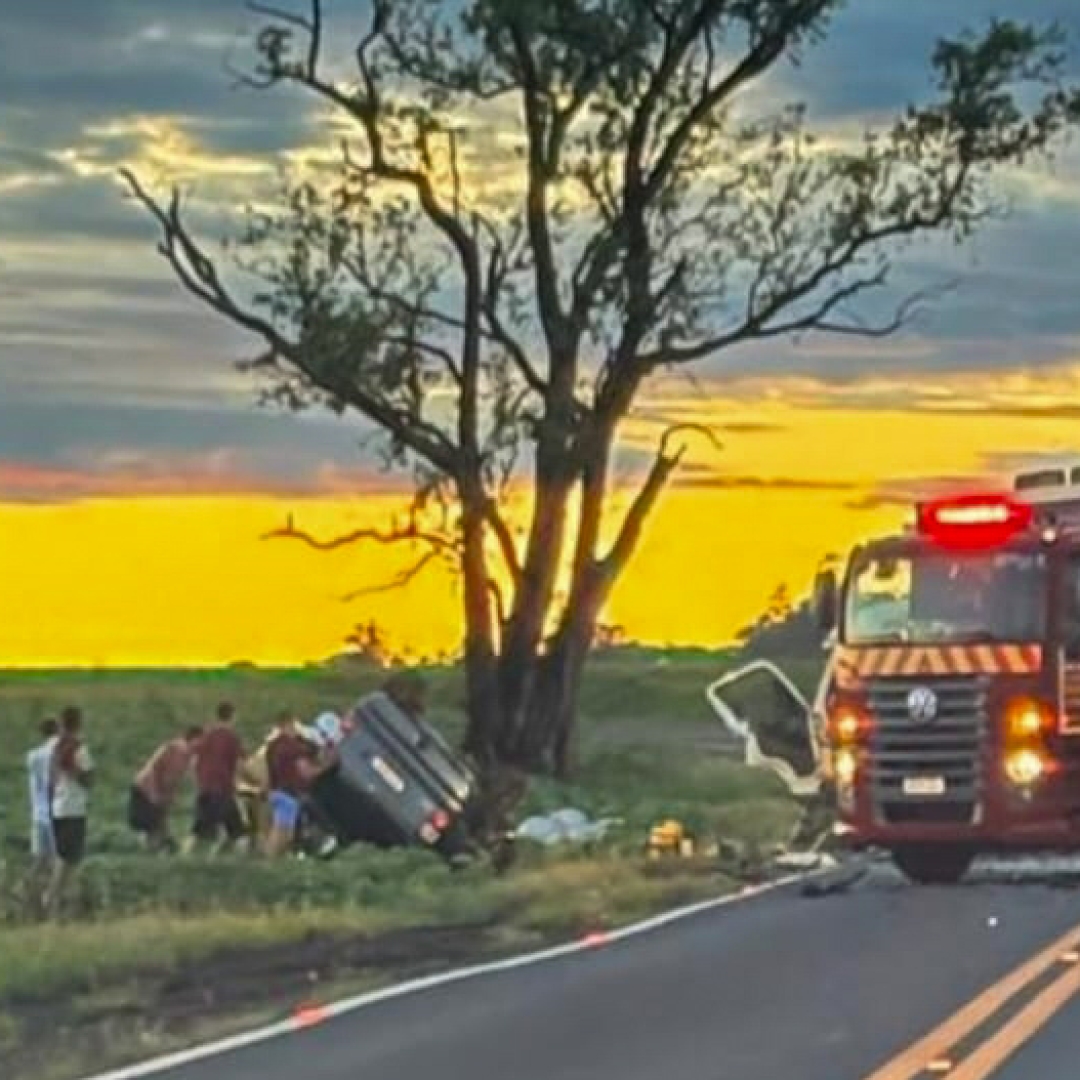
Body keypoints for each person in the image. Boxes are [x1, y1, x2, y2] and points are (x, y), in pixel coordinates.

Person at [45, 706, 93, 915]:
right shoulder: (78, 748)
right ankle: (53, 899)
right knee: (70, 861)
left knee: (65, 858)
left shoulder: (54, 748)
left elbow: (50, 779)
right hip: (74, 808)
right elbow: (89, 779)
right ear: (78, 723)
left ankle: (64, 906)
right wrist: (76, 772)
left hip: (58, 807)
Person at [128, 726, 203, 852]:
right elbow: (159, 772)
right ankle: (155, 849)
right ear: (193, 738)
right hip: (147, 790)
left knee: (158, 824)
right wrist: (157, 795)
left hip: (153, 791)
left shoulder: (185, 753)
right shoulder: (176, 750)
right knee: (153, 825)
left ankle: (160, 847)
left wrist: (168, 798)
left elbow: (172, 779)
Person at [186, 701, 246, 855]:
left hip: (205, 789)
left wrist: (199, 781)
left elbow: (193, 761)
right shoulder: (231, 737)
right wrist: (238, 783)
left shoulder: (206, 735)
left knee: (199, 830)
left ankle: (186, 856)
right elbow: (239, 764)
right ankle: (239, 861)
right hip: (222, 789)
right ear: (233, 716)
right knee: (238, 831)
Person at [264, 710, 319, 858]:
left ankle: (279, 858)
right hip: (289, 795)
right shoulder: (292, 747)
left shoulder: (272, 746)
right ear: (288, 725)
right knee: (281, 835)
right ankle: (268, 862)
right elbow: (306, 772)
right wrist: (326, 766)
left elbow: (267, 770)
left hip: (276, 792)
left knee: (286, 833)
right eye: (294, 725)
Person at [26, 717, 60, 906]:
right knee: (59, 862)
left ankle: (25, 897)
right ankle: (52, 902)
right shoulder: (57, 753)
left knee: (39, 861)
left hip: (38, 814)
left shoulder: (33, 756)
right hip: (56, 814)